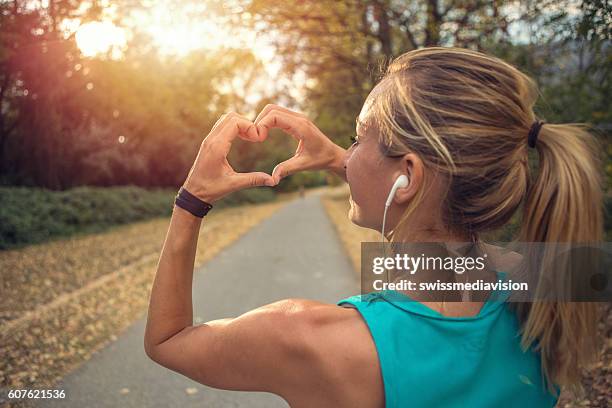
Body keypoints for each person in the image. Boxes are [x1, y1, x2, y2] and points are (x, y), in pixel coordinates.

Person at [143, 47, 604, 407]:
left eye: (358, 138)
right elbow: (428, 213)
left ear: (406, 176)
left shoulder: (310, 339)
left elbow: (168, 341)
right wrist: (342, 161)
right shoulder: (547, 290)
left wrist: (192, 199)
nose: (349, 152)